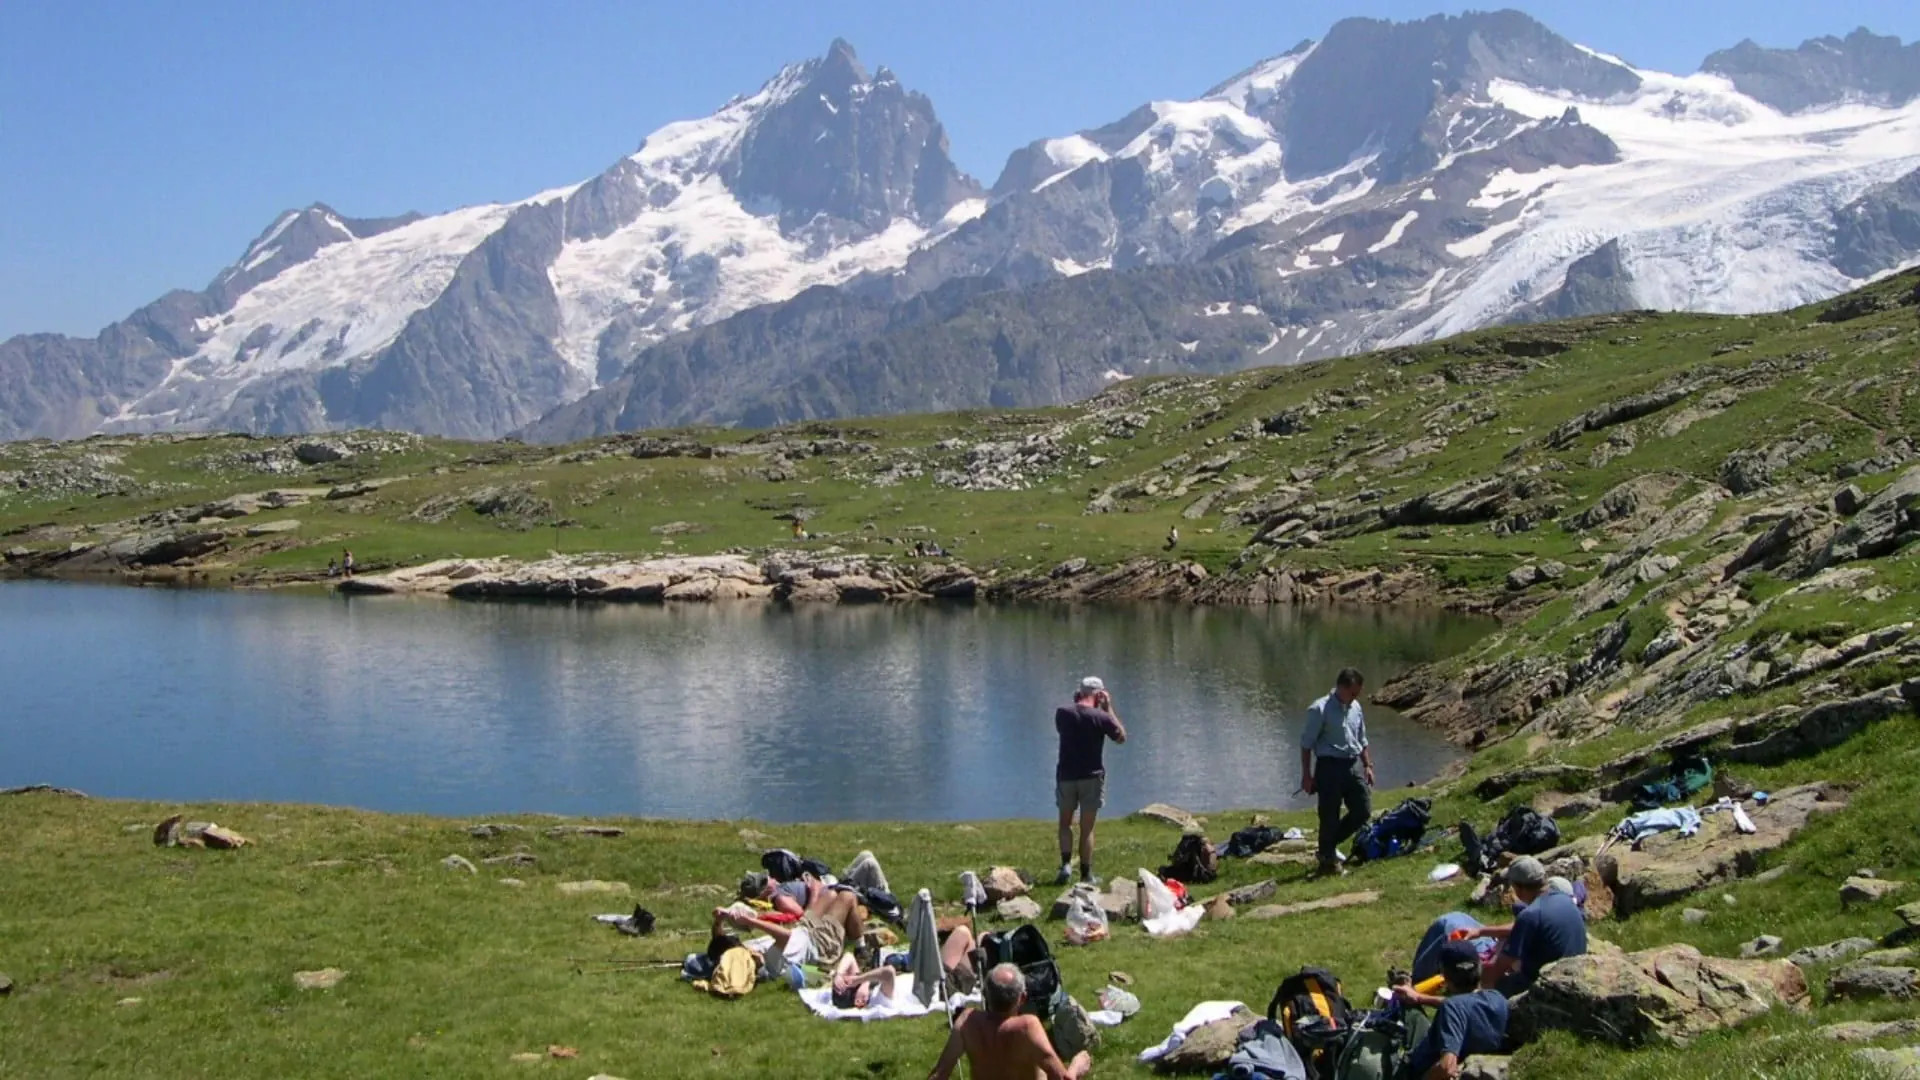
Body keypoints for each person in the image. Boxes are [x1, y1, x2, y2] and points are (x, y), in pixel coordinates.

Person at [928, 962, 1092, 1080]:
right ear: (1022, 998)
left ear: (985, 994)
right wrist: (1076, 1066)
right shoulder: (1027, 1027)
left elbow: (939, 1074)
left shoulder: (967, 1021)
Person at [1463, 856, 1588, 997]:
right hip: (1576, 973)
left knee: (1490, 984)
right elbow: (1521, 928)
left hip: (1547, 987)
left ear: (1519, 888)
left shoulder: (1531, 914)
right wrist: (1481, 931)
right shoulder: (1564, 898)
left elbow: (1498, 968)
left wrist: (1476, 981)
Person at [1392, 940, 1510, 1080]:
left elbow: (1446, 1067)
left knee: (1410, 1013)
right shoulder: (1497, 998)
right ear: (1479, 967)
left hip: (1415, 1072)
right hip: (1472, 1063)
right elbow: (1464, 1004)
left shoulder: (1452, 1008)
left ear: (1444, 975)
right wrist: (1419, 998)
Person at [1300, 667, 1373, 876]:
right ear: (1341, 687)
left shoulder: (1356, 707)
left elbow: (1362, 739)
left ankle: (1327, 847)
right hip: (1329, 768)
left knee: (1363, 810)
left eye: (1357, 693)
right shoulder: (1319, 709)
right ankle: (1327, 861)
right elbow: (1306, 744)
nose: (1355, 697)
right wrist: (1307, 775)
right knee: (1329, 815)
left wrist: (1368, 765)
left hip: (1351, 765)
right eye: (1352, 693)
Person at [1054, 676, 1127, 886]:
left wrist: (1078, 700)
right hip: (1091, 777)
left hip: (1066, 776)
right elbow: (1121, 737)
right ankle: (1086, 875)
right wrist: (1108, 708)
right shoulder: (1101, 717)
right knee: (1087, 829)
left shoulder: (1062, 713)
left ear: (1079, 692)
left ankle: (1065, 865)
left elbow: (1067, 725)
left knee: (1065, 824)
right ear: (1099, 695)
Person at [713, 882, 865, 969]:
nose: (739, 940)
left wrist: (719, 920)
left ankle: (847, 928)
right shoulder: (763, 962)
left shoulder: (741, 951)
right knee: (847, 896)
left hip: (803, 930)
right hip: (818, 945)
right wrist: (751, 921)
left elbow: (718, 942)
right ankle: (861, 950)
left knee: (830, 894)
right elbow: (785, 937)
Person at [828, 950, 897, 1010]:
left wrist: (839, 975)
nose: (851, 978)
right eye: (848, 981)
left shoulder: (862, 987)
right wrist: (859, 980)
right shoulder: (879, 1001)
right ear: (859, 1002)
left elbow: (849, 956)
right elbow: (889, 971)